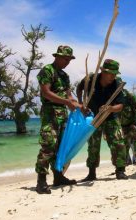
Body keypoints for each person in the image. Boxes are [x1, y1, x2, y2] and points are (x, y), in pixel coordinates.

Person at [35, 45, 81, 194]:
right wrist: (67, 102)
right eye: (65, 59)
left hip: (63, 115)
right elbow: (46, 93)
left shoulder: (64, 76)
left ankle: (58, 177)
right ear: (57, 57)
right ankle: (41, 181)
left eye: (69, 60)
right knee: (48, 145)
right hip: (50, 112)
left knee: (61, 147)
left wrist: (79, 106)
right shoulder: (47, 70)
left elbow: (69, 97)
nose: (67, 62)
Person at [76, 59, 128, 180]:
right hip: (94, 117)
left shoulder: (117, 83)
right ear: (103, 71)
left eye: (115, 74)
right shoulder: (90, 79)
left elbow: (120, 106)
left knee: (118, 143)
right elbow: (79, 88)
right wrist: (81, 104)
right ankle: (91, 173)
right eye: (111, 73)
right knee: (93, 145)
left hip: (111, 116)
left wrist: (110, 108)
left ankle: (120, 171)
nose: (113, 76)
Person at [119, 89, 136, 170]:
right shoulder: (110, 97)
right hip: (121, 125)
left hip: (133, 123)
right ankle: (123, 165)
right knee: (121, 145)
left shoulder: (129, 96)